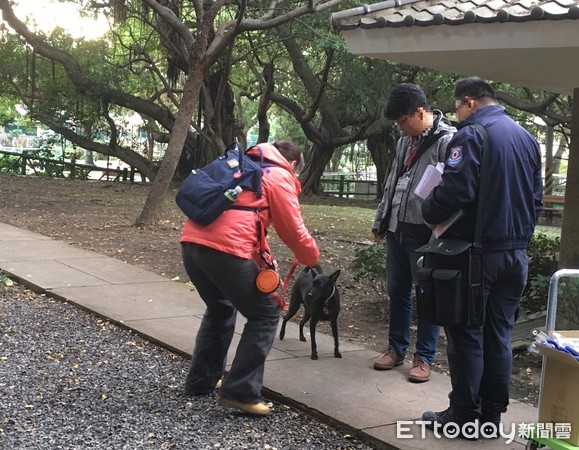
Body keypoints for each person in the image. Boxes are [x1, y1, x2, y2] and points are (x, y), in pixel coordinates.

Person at [421, 77, 543, 434]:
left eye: (458, 108)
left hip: (477, 255)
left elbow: (456, 191)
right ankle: (491, 415)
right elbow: (535, 200)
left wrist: (429, 209)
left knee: (466, 333)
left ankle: (462, 415)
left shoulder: (473, 135)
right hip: (515, 255)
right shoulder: (526, 138)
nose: (457, 116)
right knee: (499, 334)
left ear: (469, 102)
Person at [181, 140, 319, 416]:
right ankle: (240, 391)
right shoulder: (279, 175)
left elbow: (247, 221)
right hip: (225, 250)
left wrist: (264, 262)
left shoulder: (243, 164)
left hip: (191, 244)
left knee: (220, 308)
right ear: (293, 164)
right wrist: (311, 257)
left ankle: (201, 381)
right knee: (266, 314)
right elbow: (293, 230)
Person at [372, 83, 456, 382]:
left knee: (426, 295)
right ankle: (396, 349)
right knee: (398, 291)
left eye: (403, 120)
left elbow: (454, 191)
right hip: (397, 229)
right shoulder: (402, 142)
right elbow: (392, 181)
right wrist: (381, 219)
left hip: (425, 233)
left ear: (421, 112)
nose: (400, 126)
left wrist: (440, 229)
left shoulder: (448, 142)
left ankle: (424, 358)